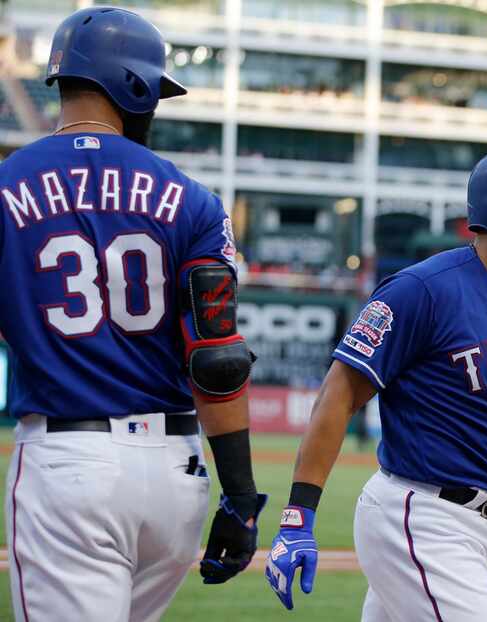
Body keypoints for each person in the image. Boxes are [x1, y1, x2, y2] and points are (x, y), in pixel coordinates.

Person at [2, 8, 266, 622]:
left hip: (68, 465)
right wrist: (242, 496)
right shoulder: (192, 199)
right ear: (134, 86)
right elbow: (218, 357)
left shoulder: (6, 186)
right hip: (176, 475)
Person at [265, 143, 487, 619]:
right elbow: (339, 394)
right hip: (421, 518)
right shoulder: (423, 289)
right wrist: (297, 516)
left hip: (471, 528)